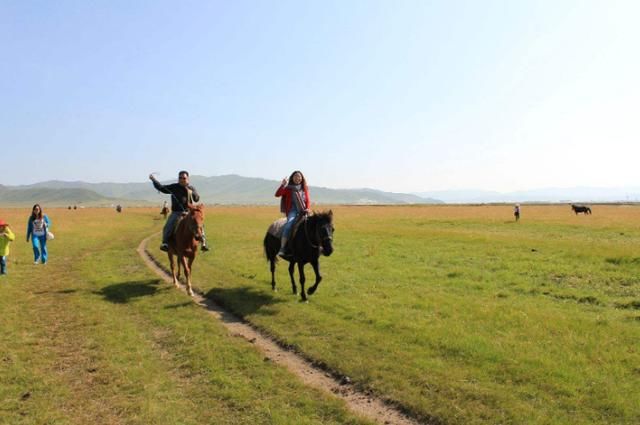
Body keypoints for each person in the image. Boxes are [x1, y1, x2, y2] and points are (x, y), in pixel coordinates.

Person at [149, 171, 209, 252]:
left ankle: (203, 243)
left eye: (184, 178)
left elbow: (196, 199)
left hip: (189, 213)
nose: (182, 179)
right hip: (176, 213)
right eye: (180, 178)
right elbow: (161, 188)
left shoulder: (191, 188)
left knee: (199, 224)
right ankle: (165, 243)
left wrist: (193, 193)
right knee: (168, 226)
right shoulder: (174, 187)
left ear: (187, 179)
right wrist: (153, 180)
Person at [275, 170, 310, 258]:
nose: (297, 178)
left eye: (299, 176)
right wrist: (283, 185)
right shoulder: (288, 188)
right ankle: (282, 248)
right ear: (292, 178)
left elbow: (307, 200)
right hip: (293, 211)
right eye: (295, 176)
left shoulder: (304, 188)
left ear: (302, 178)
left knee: (314, 224)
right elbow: (277, 194)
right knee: (288, 225)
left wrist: (308, 208)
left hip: (304, 210)